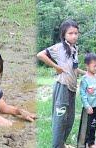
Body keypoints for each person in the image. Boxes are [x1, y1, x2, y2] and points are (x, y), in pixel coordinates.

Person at [37, 19, 86, 148]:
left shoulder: (75, 49)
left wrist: (87, 73)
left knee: (69, 121)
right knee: (60, 120)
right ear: (64, 34)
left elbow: (74, 68)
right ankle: (57, 145)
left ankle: (61, 144)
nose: (74, 36)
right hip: (62, 87)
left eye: (76, 33)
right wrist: (56, 66)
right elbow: (40, 55)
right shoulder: (59, 47)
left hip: (72, 88)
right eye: (70, 33)